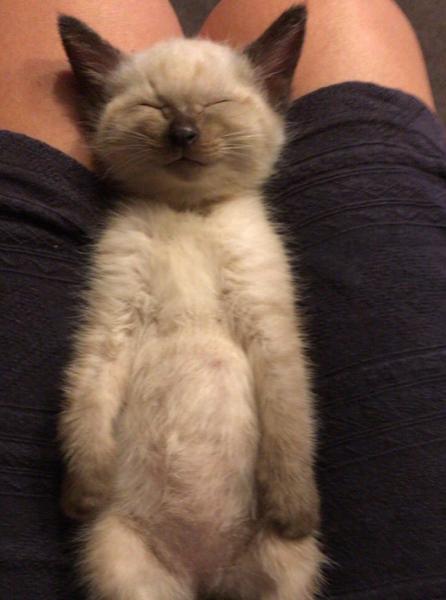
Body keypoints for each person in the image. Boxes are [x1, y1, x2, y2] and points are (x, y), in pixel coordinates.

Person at [0, 1, 444, 598]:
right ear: (100, 111)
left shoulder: (248, 228)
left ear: (273, 100)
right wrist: (87, 453)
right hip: (136, 531)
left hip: (258, 528)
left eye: (214, 108)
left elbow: (277, 358)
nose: (183, 131)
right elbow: (103, 352)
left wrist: (288, 473)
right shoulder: (128, 232)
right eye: (152, 109)